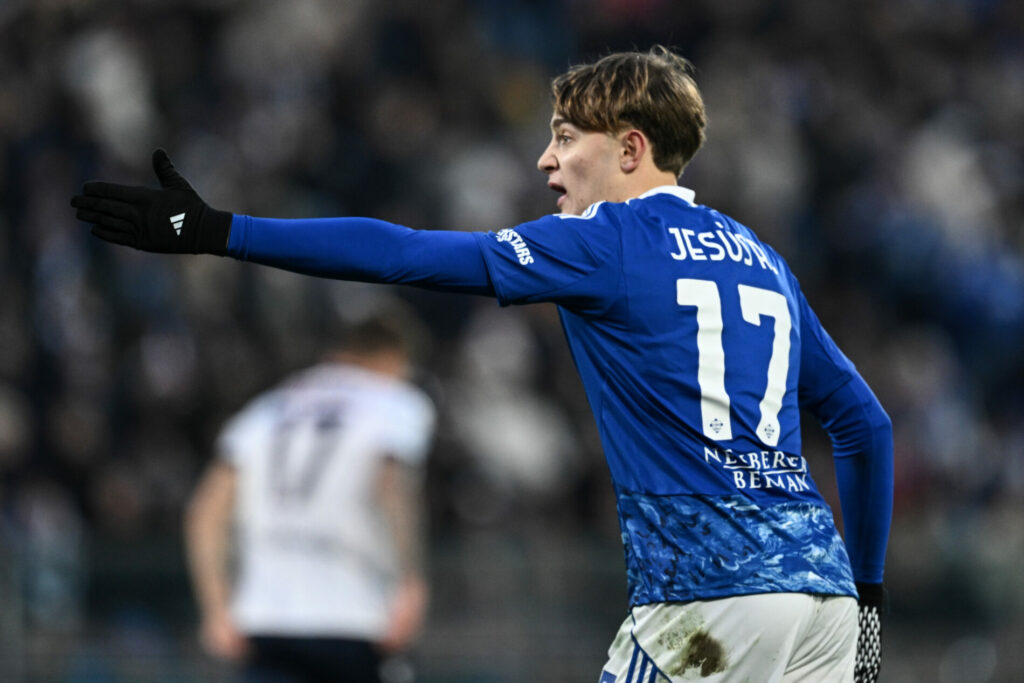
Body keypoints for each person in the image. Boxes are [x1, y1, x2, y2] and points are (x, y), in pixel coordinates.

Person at [73, 46, 893, 683]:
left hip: (710, 599)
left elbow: (402, 253)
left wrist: (222, 231)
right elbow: (865, 426)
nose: (546, 160)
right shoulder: (763, 259)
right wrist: (865, 606)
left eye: (566, 138)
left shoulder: (603, 241)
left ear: (631, 148)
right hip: (821, 600)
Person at [182, 311, 436, 683]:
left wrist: (215, 606)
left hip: (265, 615)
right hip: (356, 613)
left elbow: (206, 510)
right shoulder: (394, 402)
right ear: (393, 358)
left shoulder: (268, 407)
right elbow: (390, 488)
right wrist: (410, 581)